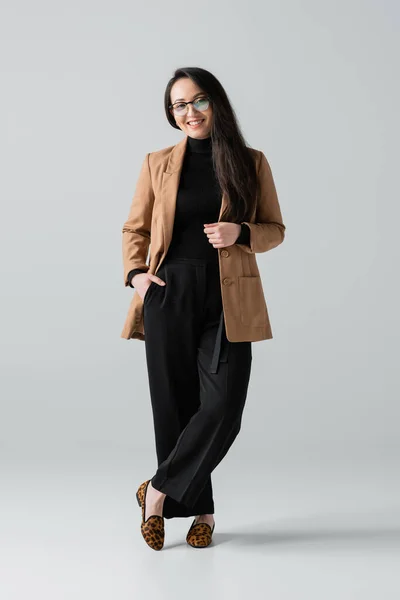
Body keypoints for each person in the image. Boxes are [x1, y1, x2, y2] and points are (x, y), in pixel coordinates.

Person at [121, 67, 286, 551]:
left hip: (228, 295)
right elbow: (134, 230)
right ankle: (203, 513)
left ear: (216, 103)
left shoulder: (250, 163)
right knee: (174, 408)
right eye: (178, 105)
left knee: (222, 407)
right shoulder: (157, 163)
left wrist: (243, 233)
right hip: (168, 293)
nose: (189, 112)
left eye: (198, 101)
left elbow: (275, 227)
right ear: (171, 115)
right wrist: (136, 277)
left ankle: (156, 490)